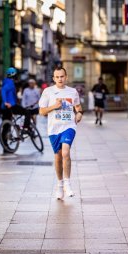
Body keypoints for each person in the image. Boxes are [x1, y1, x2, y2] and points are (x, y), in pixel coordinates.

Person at [39, 67, 83, 200]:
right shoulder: (48, 92)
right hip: (53, 129)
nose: (60, 79)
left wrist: (79, 113)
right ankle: (59, 185)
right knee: (58, 156)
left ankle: (68, 183)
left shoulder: (72, 92)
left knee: (66, 152)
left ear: (66, 77)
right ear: (53, 78)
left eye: (62, 76)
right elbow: (42, 111)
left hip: (69, 126)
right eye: (57, 77)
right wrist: (54, 106)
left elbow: (78, 107)